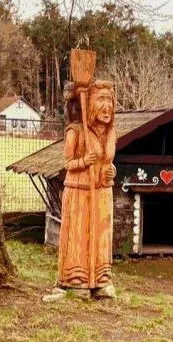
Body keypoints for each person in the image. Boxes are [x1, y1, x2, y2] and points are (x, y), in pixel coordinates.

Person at [56, 80, 117, 299]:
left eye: (109, 100)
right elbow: (67, 163)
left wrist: (112, 171)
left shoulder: (111, 133)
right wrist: (84, 161)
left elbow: (108, 162)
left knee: (101, 235)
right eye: (101, 100)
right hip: (79, 192)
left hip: (102, 193)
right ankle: (76, 278)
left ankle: (100, 278)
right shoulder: (76, 132)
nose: (106, 106)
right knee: (79, 236)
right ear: (88, 104)